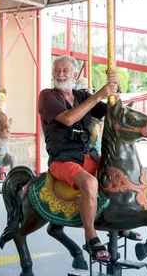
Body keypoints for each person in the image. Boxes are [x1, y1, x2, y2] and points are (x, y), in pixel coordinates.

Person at [38, 55, 139, 261]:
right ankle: (90, 236)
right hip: (62, 158)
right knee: (90, 183)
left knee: (120, 173)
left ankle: (119, 222)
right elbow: (67, 119)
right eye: (57, 70)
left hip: (87, 154)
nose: (60, 74)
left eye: (65, 70)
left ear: (74, 75)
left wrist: (114, 89)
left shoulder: (82, 96)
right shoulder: (47, 95)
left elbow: (114, 111)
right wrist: (99, 94)